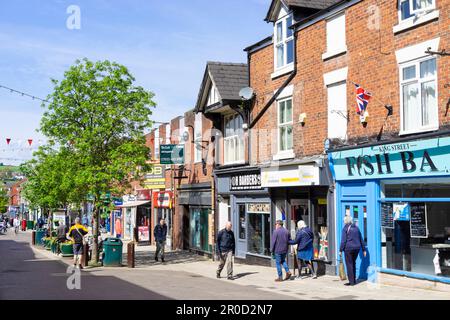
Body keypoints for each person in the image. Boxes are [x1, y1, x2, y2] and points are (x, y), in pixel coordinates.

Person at [339, 215, 366, 286]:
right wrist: (364, 249)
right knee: (353, 263)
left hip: (348, 248)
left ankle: (352, 282)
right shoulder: (357, 228)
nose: (343, 222)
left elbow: (343, 241)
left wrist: (340, 250)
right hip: (357, 248)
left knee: (349, 264)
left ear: (346, 221)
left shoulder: (345, 228)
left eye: (344, 221)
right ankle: (353, 280)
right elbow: (361, 239)